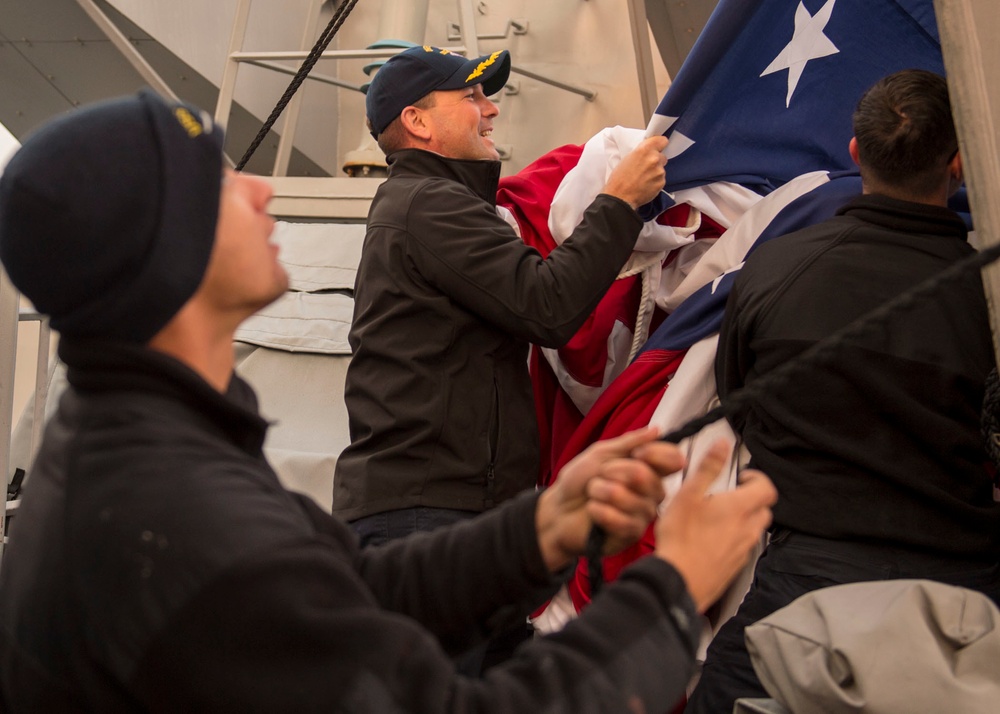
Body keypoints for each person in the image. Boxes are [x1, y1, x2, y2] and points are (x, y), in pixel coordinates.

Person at [0, 89, 777, 712]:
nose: (262, 188)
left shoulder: (149, 446)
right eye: (220, 181)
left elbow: (356, 593)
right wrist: (672, 590)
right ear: (161, 246)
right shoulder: (179, 514)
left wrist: (544, 527)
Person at [685, 69, 1000, 713]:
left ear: (855, 154)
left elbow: (739, 398)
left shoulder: (775, 268)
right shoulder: (987, 299)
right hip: (965, 599)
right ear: (959, 163)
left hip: (803, 587)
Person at [332, 45, 670, 547]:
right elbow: (547, 305)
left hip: (441, 508)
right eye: (470, 95)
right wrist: (618, 201)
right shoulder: (428, 204)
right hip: (427, 516)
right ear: (417, 122)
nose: (491, 108)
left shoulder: (429, 203)